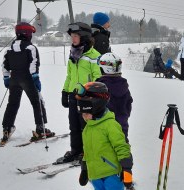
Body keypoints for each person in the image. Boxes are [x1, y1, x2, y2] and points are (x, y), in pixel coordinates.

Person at [1, 22, 54, 144]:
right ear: (27, 34)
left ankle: (7, 128)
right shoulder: (31, 48)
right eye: (30, 33)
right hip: (27, 79)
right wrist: (36, 80)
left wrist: (6, 79)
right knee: (37, 102)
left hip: (14, 79)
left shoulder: (9, 49)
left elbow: (5, 66)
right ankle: (40, 129)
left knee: (12, 104)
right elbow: (33, 65)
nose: (31, 35)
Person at [74, 82, 134, 190]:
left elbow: (121, 147)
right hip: (95, 175)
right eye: (82, 114)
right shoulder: (88, 128)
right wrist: (84, 169)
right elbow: (87, 151)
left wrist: (127, 169)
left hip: (112, 174)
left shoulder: (110, 125)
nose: (84, 117)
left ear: (97, 107)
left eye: (86, 113)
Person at [58, 22, 102, 163]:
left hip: (87, 96)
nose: (73, 39)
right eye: (72, 36)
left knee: (86, 126)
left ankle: (86, 152)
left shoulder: (94, 55)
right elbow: (69, 76)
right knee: (74, 125)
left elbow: (97, 78)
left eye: (76, 36)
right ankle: (75, 150)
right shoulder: (73, 54)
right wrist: (65, 91)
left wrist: (91, 94)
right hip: (73, 95)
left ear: (83, 37)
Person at [96, 52, 133, 143]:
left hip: (104, 129)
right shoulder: (124, 86)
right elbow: (128, 106)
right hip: (122, 127)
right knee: (122, 148)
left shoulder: (100, 87)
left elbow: (95, 108)